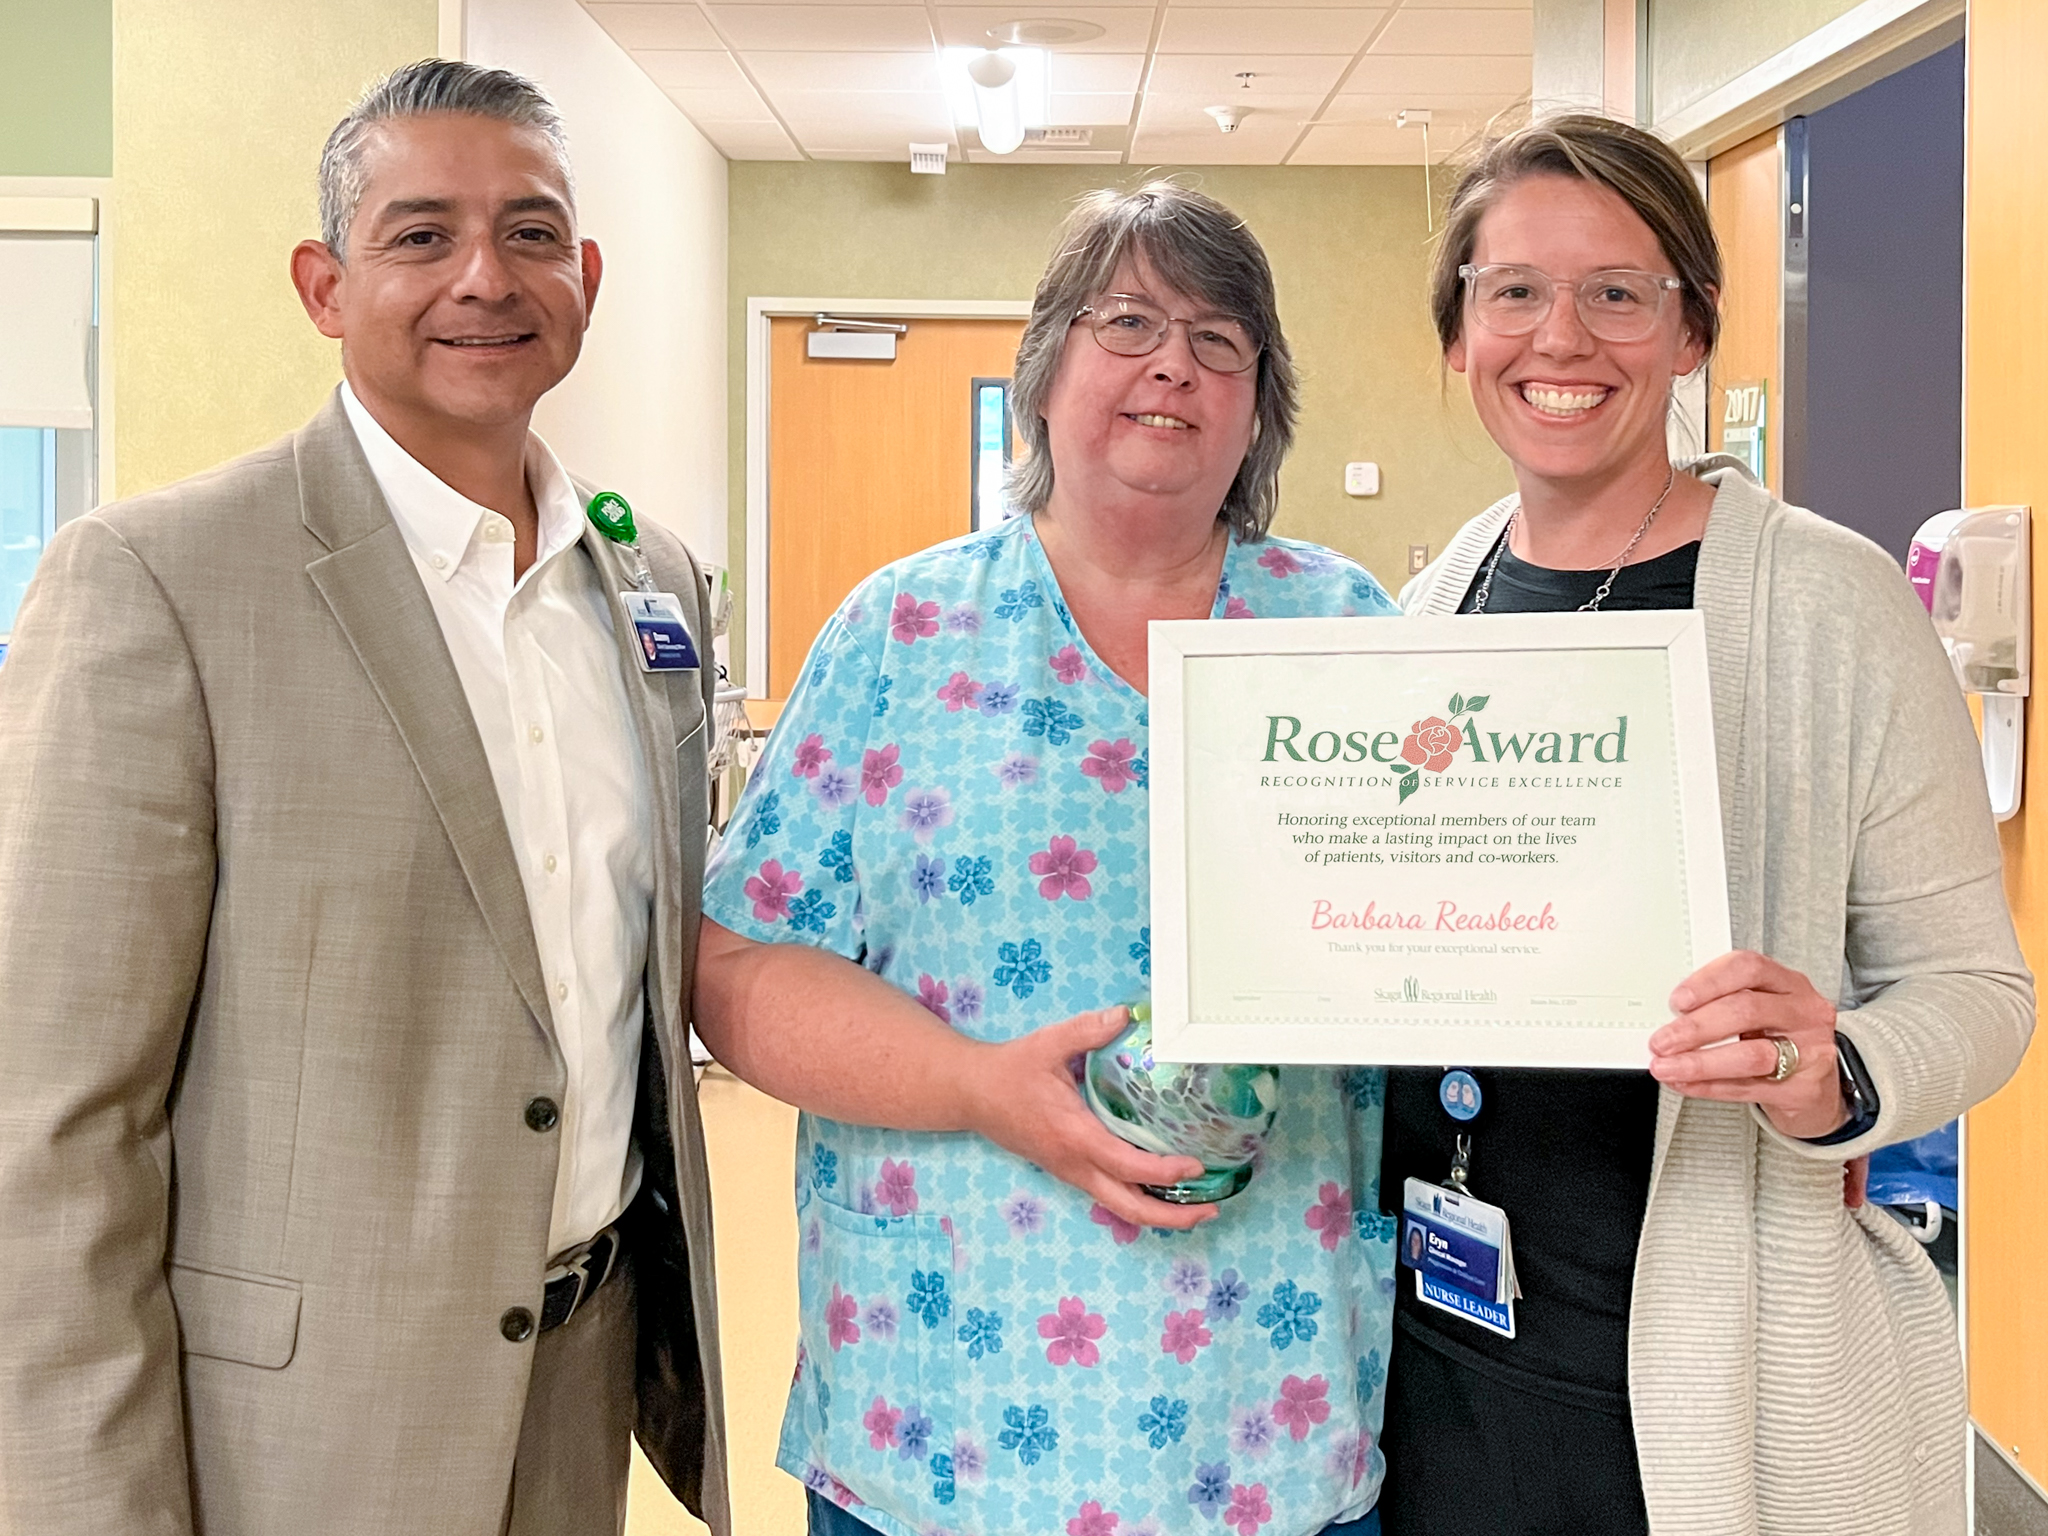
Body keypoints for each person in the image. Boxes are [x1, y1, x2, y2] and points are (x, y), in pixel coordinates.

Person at [0, 61, 729, 1536]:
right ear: (324, 285)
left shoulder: (648, 577)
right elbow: (53, 1122)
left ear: (585, 279)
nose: (485, 277)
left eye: (531, 234)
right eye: (419, 236)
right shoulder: (162, 581)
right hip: (290, 1426)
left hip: (579, 1376)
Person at [693, 183, 1400, 1536]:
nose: (1172, 365)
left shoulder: (1339, 624)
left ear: (1259, 404)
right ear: (1044, 369)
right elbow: (733, 968)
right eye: (1126, 321)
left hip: (1267, 1411)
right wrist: (975, 1087)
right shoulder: (900, 631)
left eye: (1220, 340)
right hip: (946, 1408)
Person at [1383, 113, 2033, 1536]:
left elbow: (1982, 993)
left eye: (1619, 292)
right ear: (1458, 334)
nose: (1563, 338)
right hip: (1443, 1360)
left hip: (1713, 1372)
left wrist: (1833, 1068)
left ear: (1692, 332)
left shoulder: (1832, 605)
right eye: (1514, 292)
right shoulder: (1429, 610)